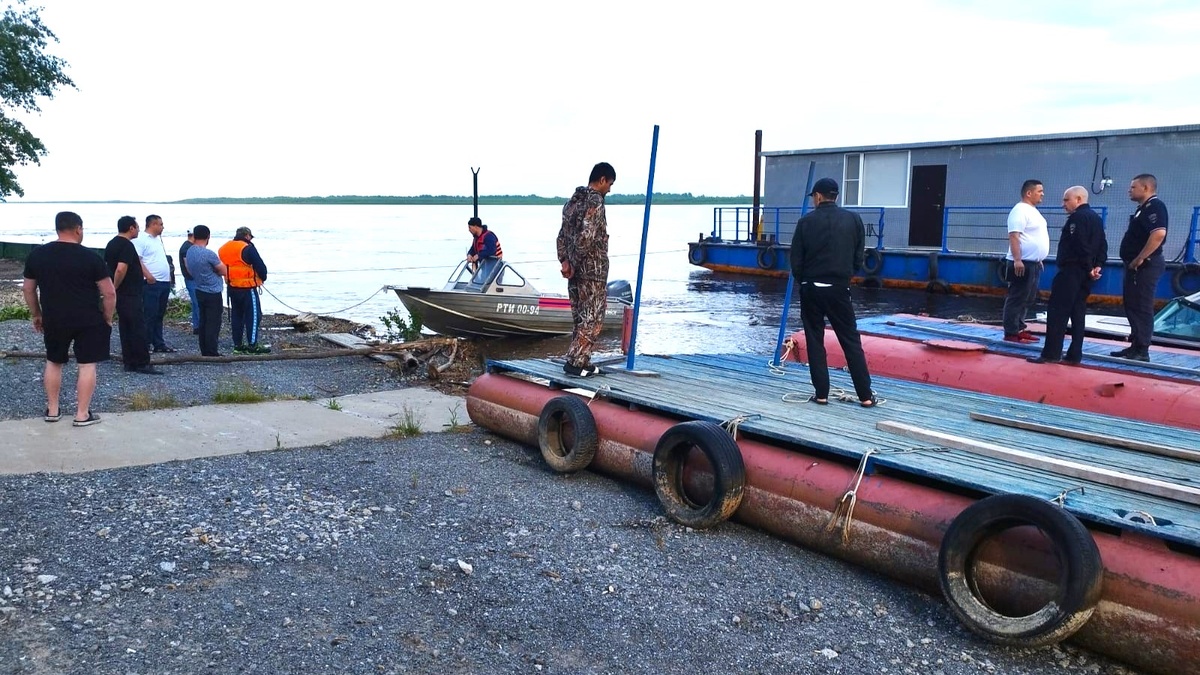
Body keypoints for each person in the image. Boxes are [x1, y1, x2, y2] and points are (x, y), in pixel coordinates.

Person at [21, 211, 116, 427]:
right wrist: (107, 318)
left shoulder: (38, 255)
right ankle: (82, 414)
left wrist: (37, 314)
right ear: (78, 229)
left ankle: (53, 410)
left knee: (54, 362)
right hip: (88, 319)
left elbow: (28, 288)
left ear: (57, 229)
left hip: (54, 318)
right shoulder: (91, 257)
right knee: (86, 365)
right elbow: (109, 293)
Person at [790, 178, 877, 407]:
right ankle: (866, 396)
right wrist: (845, 277)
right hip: (839, 288)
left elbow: (796, 261)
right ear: (836, 196)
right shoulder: (853, 220)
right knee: (850, 341)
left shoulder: (805, 222)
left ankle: (821, 394)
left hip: (811, 288)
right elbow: (859, 256)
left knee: (815, 340)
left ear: (818, 196)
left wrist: (805, 281)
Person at [1028, 186, 1107, 365]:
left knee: (1058, 312)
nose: (1063, 204)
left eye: (1066, 200)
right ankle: (1074, 354)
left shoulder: (1077, 218)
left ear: (1078, 199)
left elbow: (1080, 245)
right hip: (1086, 274)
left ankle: (1051, 353)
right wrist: (1097, 266)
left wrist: (1088, 267)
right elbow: (1102, 244)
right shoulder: (1096, 218)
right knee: (1078, 312)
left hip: (1072, 270)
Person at [556, 162, 615, 377]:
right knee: (593, 317)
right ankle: (575, 364)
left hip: (575, 270)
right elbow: (587, 236)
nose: (609, 189)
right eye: (609, 184)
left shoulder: (571, 203)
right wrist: (576, 262)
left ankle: (582, 359)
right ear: (601, 180)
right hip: (592, 271)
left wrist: (566, 262)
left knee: (580, 316)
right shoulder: (595, 201)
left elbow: (561, 236)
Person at [1113, 174, 1168, 362]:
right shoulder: (1142, 209)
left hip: (1146, 265)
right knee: (1132, 304)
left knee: (1142, 305)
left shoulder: (1155, 207)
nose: (1129, 190)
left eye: (1133, 187)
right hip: (1135, 266)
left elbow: (1159, 234)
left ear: (1145, 188)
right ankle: (1135, 345)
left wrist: (1140, 258)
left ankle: (1142, 349)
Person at [104, 216, 160, 374]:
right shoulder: (126, 246)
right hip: (129, 292)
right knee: (137, 327)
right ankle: (142, 362)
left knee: (125, 326)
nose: (139, 230)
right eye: (137, 227)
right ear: (130, 228)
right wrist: (114, 286)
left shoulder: (111, 244)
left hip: (122, 294)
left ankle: (129, 361)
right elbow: (121, 269)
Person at [1001, 180, 1050, 343]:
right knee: (1017, 296)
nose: (1042, 193)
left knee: (1028, 298)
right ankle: (1011, 331)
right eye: (1039, 191)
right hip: (1022, 263)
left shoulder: (1033, 211)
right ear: (1029, 193)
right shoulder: (1020, 211)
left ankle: (1020, 327)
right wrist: (1017, 259)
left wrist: (1038, 259)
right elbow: (1014, 236)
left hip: (1033, 263)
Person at [218, 226, 270, 354]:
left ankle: (238, 345)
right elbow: (260, 265)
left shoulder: (223, 248)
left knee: (237, 316)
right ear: (247, 235)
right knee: (253, 316)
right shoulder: (247, 247)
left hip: (232, 287)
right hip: (247, 288)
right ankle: (252, 345)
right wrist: (263, 277)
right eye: (250, 237)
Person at [133, 213, 176, 353]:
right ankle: (144, 343)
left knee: (159, 314)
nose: (163, 227)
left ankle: (158, 342)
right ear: (153, 224)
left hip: (163, 282)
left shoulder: (157, 239)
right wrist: (148, 276)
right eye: (161, 224)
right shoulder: (141, 239)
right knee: (149, 314)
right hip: (151, 282)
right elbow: (137, 260)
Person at [185, 225, 228, 357]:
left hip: (199, 287)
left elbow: (188, 267)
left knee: (203, 320)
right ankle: (211, 350)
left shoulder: (190, 251)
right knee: (213, 322)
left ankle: (204, 348)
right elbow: (223, 270)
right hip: (212, 291)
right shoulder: (208, 254)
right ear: (208, 236)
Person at [179, 229, 200, 334]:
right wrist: (196, 276)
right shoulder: (187, 248)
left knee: (195, 303)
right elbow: (187, 264)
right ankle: (199, 326)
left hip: (191, 279)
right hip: (192, 279)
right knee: (197, 302)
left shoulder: (187, 246)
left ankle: (197, 326)